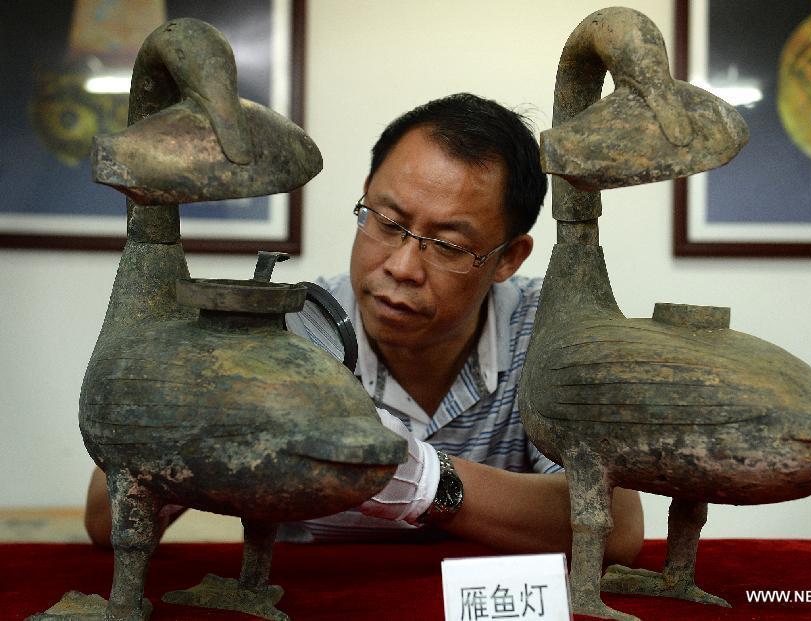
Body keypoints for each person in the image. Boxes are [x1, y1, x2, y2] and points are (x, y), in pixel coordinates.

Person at [85, 93, 643, 564]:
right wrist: (188, 418)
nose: (401, 266)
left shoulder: (546, 332)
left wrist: (421, 480)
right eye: (387, 222)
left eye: (447, 245)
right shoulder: (284, 333)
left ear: (507, 258)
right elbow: (103, 520)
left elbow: (617, 528)